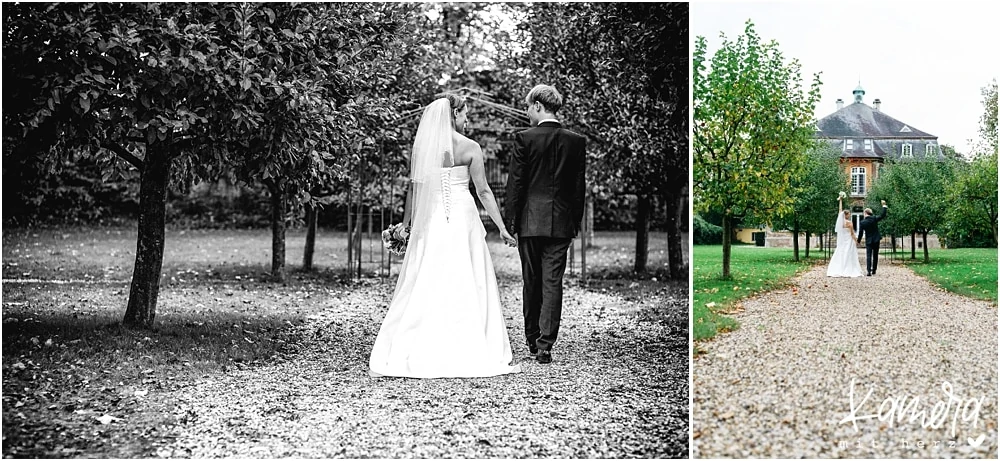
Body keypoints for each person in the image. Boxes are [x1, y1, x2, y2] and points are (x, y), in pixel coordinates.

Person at [369, 95, 521, 378]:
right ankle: (469, 341)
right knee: (466, 274)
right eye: (465, 114)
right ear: (454, 114)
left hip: (432, 219)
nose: (467, 120)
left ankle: (418, 341)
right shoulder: (470, 148)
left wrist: (405, 226)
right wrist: (501, 227)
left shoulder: (425, 148)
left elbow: (414, 191)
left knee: (427, 275)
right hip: (462, 219)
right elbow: (484, 192)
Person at [504, 85, 586, 364]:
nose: (527, 112)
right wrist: (574, 221)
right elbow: (578, 187)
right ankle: (545, 345)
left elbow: (516, 183)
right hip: (561, 222)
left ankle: (531, 338)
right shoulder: (576, 141)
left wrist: (510, 221)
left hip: (529, 221)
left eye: (528, 106)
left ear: (538, 105)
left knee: (532, 281)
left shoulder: (524, 139)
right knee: (553, 282)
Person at [826, 196, 864, 277]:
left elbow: (840, 210)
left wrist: (840, 200)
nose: (849, 216)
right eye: (849, 214)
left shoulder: (841, 223)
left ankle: (839, 268)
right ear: (846, 215)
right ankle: (848, 269)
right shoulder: (849, 223)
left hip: (842, 242)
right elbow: (852, 233)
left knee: (840, 253)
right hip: (849, 240)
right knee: (849, 254)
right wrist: (856, 241)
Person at [856, 200, 888, 276]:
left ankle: (868, 271)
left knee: (869, 255)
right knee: (875, 255)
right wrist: (884, 206)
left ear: (865, 213)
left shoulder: (862, 222)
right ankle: (874, 270)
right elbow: (882, 215)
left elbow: (860, 233)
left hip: (869, 241)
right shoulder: (874, 218)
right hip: (876, 239)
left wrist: (858, 241)